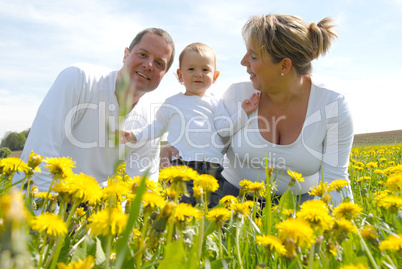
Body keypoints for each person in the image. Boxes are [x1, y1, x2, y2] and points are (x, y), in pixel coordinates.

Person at [162, 15, 354, 206]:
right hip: (232, 200)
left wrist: (342, 231)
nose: (243, 61)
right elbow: (209, 146)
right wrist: (172, 157)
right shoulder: (238, 94)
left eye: (253, 56)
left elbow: (336, 178)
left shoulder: (332, 106)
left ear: (284, 65)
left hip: (298, 207)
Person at [13, 28, 175, 193]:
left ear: (164, 74)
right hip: (41, 196)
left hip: (91, 205)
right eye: (142, 54)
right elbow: (41, 150)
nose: (148, 65)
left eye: (159, 63)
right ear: (126, 54)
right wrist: (44, 210)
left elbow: (143, 186)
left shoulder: (151, 119)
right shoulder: (79, 78)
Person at [122, 42, 259, 208]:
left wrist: (243, 113)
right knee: (181, 208)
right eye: (191, 69)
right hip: (182, 165)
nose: (198, 74)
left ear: (215, 76)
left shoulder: (216, 102)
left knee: (211, 209)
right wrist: (134, 135)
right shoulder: (172, 103)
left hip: (212, 168)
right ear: (180, 75)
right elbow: (156, 127)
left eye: (205, 70)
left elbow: (225, 129)